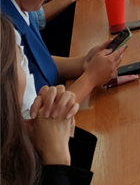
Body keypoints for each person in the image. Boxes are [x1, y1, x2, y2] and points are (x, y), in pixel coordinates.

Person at [0, 12, 98, 185]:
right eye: (21, 60)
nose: (27, 68)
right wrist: (56, 160)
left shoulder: (15, 141)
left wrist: (65, 137)